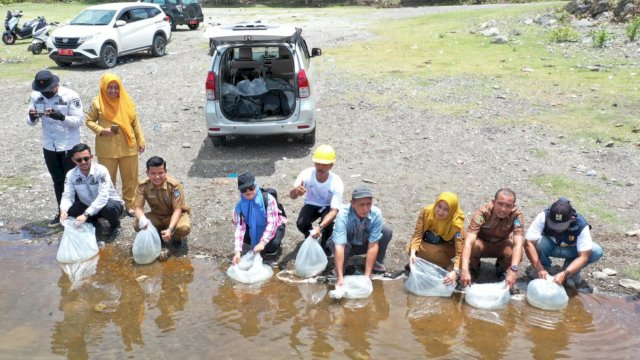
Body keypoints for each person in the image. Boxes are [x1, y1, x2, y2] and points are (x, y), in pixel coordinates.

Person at [26, 70, 84, 227]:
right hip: (49, 146)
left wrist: (61, 117)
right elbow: (30, 122)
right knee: (58, 181)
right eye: (42, 90)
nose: (45, 93)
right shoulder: (36, 96)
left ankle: (79, 213)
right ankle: (62, 212)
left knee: (73, 180)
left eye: (48, 90)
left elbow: (79, 121)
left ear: (56, 85)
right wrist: (32, 116)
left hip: (69, 146)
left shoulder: (70, 96)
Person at [86, 73, 145, 216]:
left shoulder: (127, 101)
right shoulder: (97, 102)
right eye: (109, 88)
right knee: (108, 179)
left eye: (116, 87)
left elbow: (135, 123)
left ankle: (131, 205)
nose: (113, 91)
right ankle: (110, 206)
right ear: (103, 88)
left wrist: (140, 140)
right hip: (107, 149)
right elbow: (89, 121)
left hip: (128, 145)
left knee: (130, 178)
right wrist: (101, 130)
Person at [524, 198, 604, 292]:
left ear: (571, 219)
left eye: (560, 226)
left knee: (596, 251)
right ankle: (545, 268)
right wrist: (539, 268)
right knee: (538, 242)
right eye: (553, 224)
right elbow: (528, 243)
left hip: (571, 250)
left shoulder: (581, 224)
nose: (557, 229)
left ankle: (571, 272)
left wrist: (565, 273)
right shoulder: (543, 216)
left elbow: (583, 256)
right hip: (549, 246)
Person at [326, 184, 393, 286]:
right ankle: (341, 266)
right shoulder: (343, 215)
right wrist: (340, 277)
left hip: (364, 243)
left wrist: (367, 276)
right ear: (352, 203)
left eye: (368, 204)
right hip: (346, 246)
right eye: (362, 205)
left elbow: (373, 244)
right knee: (334, 242)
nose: (366, 209)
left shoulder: (376, 213)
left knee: (386, 231)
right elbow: (339, 246)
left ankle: (374, 263)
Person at [459, 188, 525, 288]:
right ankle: (473, 268)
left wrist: (513, 270)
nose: (503, 209)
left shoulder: (516, 217)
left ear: (513, 207)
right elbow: (468, 241)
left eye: (508, 206)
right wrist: (464, 269)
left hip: (501, 244)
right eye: (500, 204)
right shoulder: (483, 213)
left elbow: (518, 244)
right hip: (482, 244)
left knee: (515, 253)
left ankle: (501, 269)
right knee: (473, 246)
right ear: (493, 202)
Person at [59, 143, 125, 238]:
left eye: (86, 158)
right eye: (79, 160)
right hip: (88, 205)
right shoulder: (71, 174)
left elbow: (103, 197)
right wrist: (63, 210)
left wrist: (85, 214)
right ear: (73, 160)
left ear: (91, 157)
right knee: (70, 212)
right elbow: (67, 196)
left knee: (109, 208)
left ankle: (115, 225)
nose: (83, 162)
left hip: (108, 203)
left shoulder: (101, 170)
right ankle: (94, 223)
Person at [289, 144, 343, 250]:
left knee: (328, 226)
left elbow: (334, 211)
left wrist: (320, 227)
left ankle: (325, 243)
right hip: (311, 204)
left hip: (328, 206)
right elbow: (292, 196)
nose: (320, 167)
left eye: (324, 165)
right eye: (318, 163)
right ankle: (310, 236)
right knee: (301, 223)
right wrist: (295, 191)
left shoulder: (336, 182)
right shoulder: (306, 175)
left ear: (331, 166)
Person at [407, 192, 465, 285]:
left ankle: (449, 265)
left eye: (446, 209)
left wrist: (456, 271)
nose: (440, 212)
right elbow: (417, 234)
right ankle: (435, 263)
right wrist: (413, 254)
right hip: (431, 242)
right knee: (411, 248)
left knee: (432, 252)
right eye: (439, 206)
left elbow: (460, 251)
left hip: (448, 247)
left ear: (452, 211)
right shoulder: (426, 212)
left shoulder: (456, 224)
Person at [133, 156, 191, 247]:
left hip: (175, 215)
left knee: (183, 228)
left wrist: (170, 229)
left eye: (160, 173)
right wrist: (143, 220)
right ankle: (157, 234)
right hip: (157, 215)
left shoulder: (174, 185)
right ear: (147, 173)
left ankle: (176, 237)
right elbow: (138, 208)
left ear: (166, 172)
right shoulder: (142, 186)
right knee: (137, 224)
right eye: (153, 173)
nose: (157, 177)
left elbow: (178, 210)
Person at [232, 172, 286, 264]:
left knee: (271, 246)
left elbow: (272, 223)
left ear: (255, 185)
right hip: (254, 227)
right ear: (240, 191)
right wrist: (237, 252)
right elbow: (239, 228)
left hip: (275, 225)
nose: (248, 191)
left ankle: (274, 244)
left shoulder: (268, 199)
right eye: (244, 189)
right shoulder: (239, 207)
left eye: (251, 187)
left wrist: (262, 243)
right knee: (245, 241)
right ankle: (257, 242)